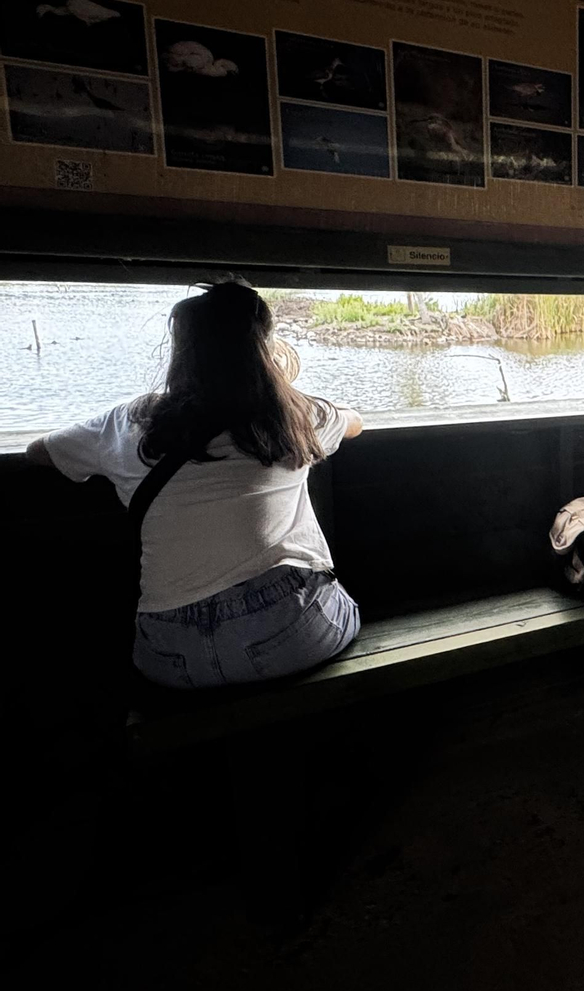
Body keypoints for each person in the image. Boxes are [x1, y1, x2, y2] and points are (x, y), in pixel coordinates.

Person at [24, 281, 363, 689]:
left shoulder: (126, 422)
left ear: (182, 351)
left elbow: (37, 451)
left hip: (170, 649)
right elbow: (355, 421)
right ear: (262, 347)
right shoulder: (293, 416)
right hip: (287, 632)